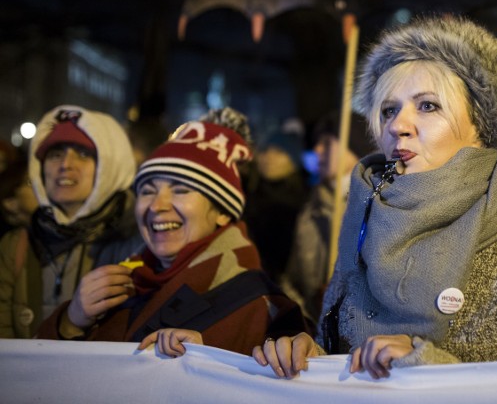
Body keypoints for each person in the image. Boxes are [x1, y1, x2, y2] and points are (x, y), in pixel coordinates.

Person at [254, 15, 497, 380]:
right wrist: (310, 357)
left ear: (481, 126)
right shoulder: (363, 222)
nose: (397, 125)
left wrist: (431, 371)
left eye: (427, 106)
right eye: (389, 110)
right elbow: (340, 353)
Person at [36, 121, 309, 356]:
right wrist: (71, 322)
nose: (157, 205)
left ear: (223, 214)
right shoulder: (123, 282)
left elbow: (301, 375)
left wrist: (211, 357)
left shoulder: (262, 305)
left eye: (180, 190)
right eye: (147, 191)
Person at [0, 105, 143, 338]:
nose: (65, 165)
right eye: (55, 154)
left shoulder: (138, 245)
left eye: (83, 154)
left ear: (112, 166)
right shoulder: (16, 245)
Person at [281, 110, 373, 322]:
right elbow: (293, 278)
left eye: (327, 143)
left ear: (354, 148)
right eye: (317, 143)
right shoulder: (311, 207)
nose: (317, 150)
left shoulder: (377, 206)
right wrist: (303, 316)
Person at [243, 129, 309, 282]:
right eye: (265, 150)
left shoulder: (308, 200)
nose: (269, 157)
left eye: (279, 151)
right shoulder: (248, 193)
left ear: (294, 158)